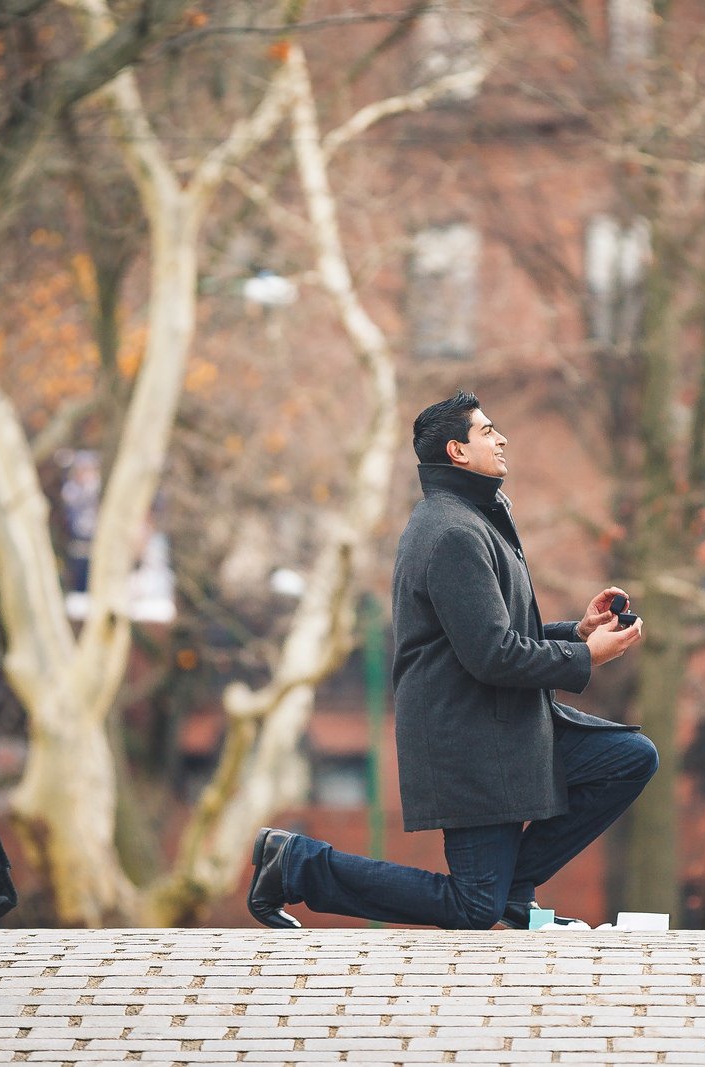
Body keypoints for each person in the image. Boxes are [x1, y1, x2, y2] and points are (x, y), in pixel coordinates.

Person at [248, 391, 656, 930]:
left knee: (627, 758)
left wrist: (576, 632)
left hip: (508, 728)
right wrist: (584, 656)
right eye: (488, 431)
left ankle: (514, 890)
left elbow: (490, 635)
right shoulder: (452, 533)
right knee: (472, 906)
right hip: (474, 745)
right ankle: (296, 865)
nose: (502, 438)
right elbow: (493, 655)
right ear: (458, 452)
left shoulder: (473, 518)